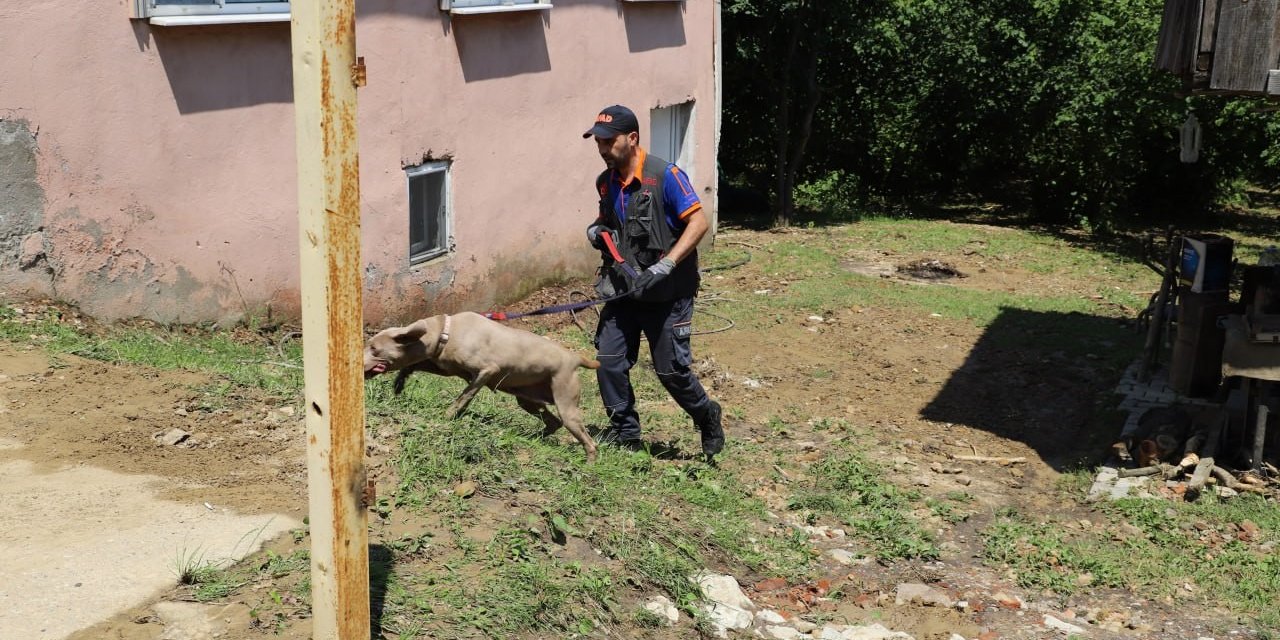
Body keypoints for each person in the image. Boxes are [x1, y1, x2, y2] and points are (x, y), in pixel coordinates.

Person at [581, 104, 725, 460]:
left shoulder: (666, 176)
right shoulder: (606, 182)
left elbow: (698, 223)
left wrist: (669, 263)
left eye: (608, 141)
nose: (602, 148)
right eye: (597, 141)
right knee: (609, 361)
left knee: (670, 371)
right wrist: (597, 230)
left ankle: (707, 415)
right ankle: (626, 434)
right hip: (624, 289)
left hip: (666, 294)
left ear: (631, 139)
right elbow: (608, 219)